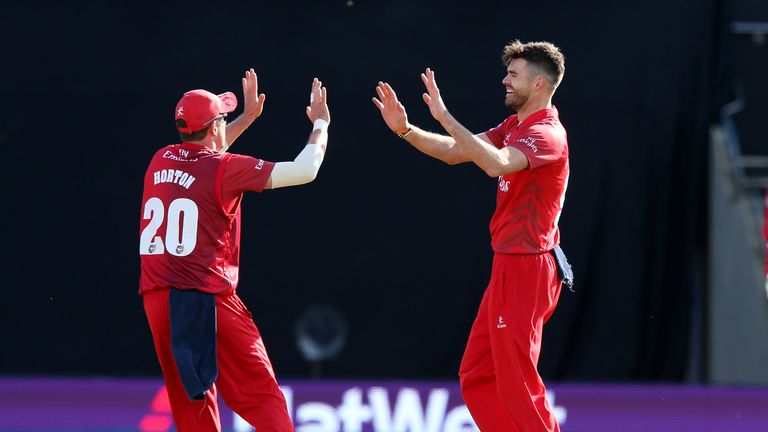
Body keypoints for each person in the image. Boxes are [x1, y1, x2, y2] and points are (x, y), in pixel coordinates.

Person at [372, 40, 570, 432]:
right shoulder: (516, 125)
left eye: (513, 75)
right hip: (508, 262)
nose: (505, 80)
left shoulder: (547, 133)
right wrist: (405, 129)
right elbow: (453, 151)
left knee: (516, 382)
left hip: (528, 267)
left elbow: (497, 165)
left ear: (540, 84)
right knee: (477, 374)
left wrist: (445, 114)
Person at [139, 69, 330, 431]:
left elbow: (204, 159)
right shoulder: (224, 168)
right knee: (259, 393)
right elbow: (306, 170)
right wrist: (320, 123)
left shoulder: (160, 160)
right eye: (223, 119)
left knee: (192, 401)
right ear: (214, 129)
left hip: (158, 299)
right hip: (205, 298)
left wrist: (244, 119)